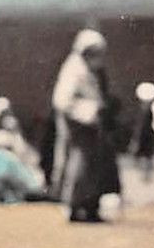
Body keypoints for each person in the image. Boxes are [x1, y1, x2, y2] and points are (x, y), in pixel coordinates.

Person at [50, 28, 119, 223]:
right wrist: (87, 111)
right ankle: (74, 207)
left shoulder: (90, 71)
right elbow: (62, 101)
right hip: (79, 129)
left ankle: (90, 208)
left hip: (92, 128)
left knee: (94, 171)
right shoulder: (74, 69)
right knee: (78, 170)